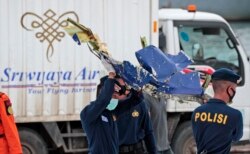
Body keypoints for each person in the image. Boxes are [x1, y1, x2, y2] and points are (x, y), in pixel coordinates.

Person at [80, 72, 143, 154]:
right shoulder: (87, 113)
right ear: (102, 92)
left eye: (116, 97)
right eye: (114, 96)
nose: (115, 99)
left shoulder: (111, 112)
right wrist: (110, 79)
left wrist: (136, 87)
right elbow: (103, 100)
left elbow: (135, 100)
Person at [191, 68, 243, 154]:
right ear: (230, 90)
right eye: (234, 89)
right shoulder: (235, 115)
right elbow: (236, 138)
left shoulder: (197, 112)